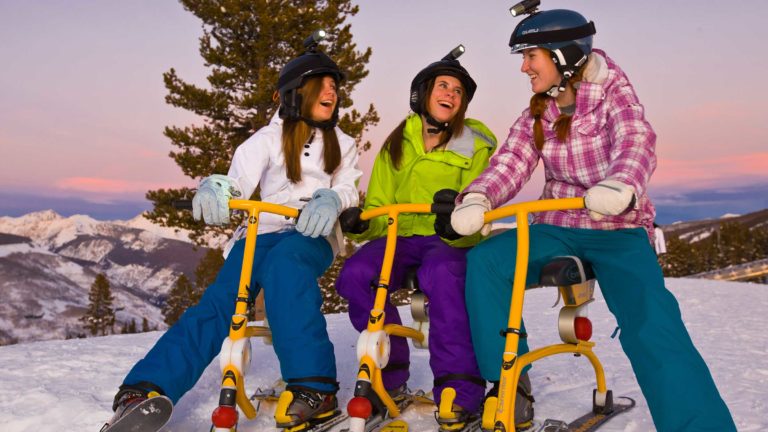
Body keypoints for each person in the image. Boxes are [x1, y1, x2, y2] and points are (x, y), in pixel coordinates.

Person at [449, 8, 736, 432]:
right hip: (558, 224)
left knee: (650, 319)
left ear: (563, 56)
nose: (524, 67)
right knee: (487, 261)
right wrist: (477, 196)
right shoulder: (539, 111)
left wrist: (621, 185)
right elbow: (511, 159)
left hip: (616, 227)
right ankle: (510, 383)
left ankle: (697, 424)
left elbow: (637, 139)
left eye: (531, 56)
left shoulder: (611, 92)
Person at [102, 37, 362, 431]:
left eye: (335, 86)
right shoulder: (267, 140)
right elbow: (237, 180)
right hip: (262, 231)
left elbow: (349, 186)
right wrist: (218, 188)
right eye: (322, 83)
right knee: (222, 301)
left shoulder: (342, 144)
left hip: (311, 232)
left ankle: (314, 386)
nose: (332, 92)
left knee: (287, 271)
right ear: (295, 93)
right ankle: (146, 387)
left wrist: (332, 199)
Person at [334, 47, 534, 431]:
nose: (451, 95)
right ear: (423, 93)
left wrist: (456, 222)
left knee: (444, 275)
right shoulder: (398, 141)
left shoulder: (475, 142)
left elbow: (481, 204)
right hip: (401, 235)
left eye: (458, 91)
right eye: (443, 86)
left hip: (448, 241)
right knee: (357, 274)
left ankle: (461, 386)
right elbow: (379, 206)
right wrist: (362, 223)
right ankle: (389, 375)